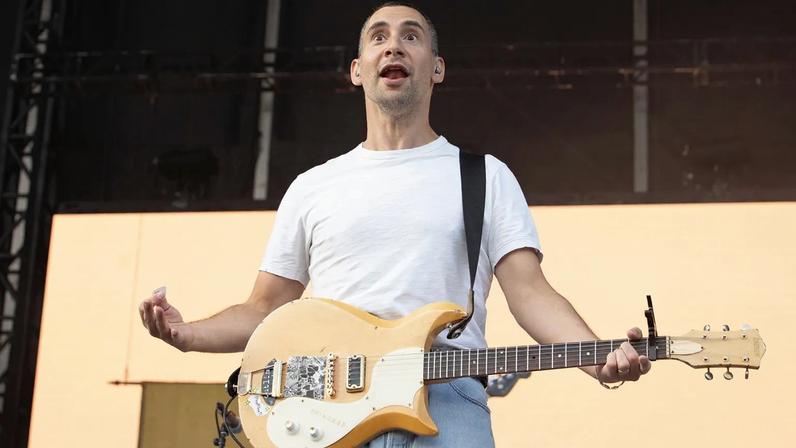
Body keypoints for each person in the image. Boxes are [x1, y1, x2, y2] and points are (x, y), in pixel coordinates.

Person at [139, 3, 651, 447]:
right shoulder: (313, 186)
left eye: (411, 36)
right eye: (378, 37)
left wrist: (597, 358)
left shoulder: (485, 177)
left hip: (448, 400)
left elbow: (530, 293)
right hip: (330, 414)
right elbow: (265, 308)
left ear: (437, 68)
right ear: (357, 70)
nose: (394, 46)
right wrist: (187, 334)